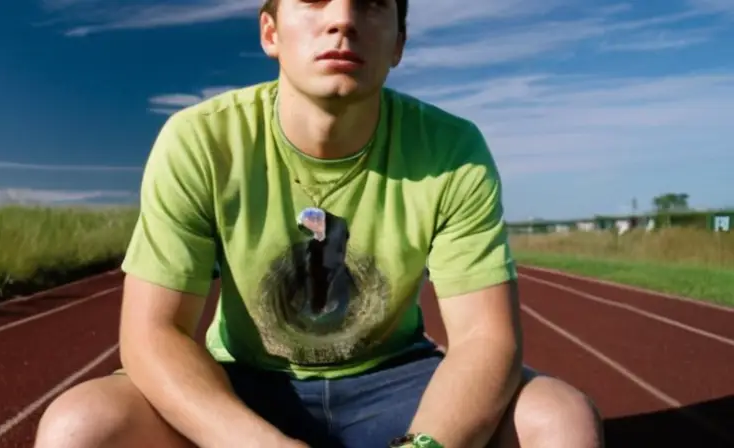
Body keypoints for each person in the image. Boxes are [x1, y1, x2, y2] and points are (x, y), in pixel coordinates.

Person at [34, 0, 604, 447]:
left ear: (399, 44)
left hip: (397, 382)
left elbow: (485, 338)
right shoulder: (200, 142)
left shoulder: (452, 150)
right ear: (270, 33)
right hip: (247, 382)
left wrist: (425, 447)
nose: (343, 21)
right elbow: (150, 333)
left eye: (373, 5)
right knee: (79, 427)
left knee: (560, 421)